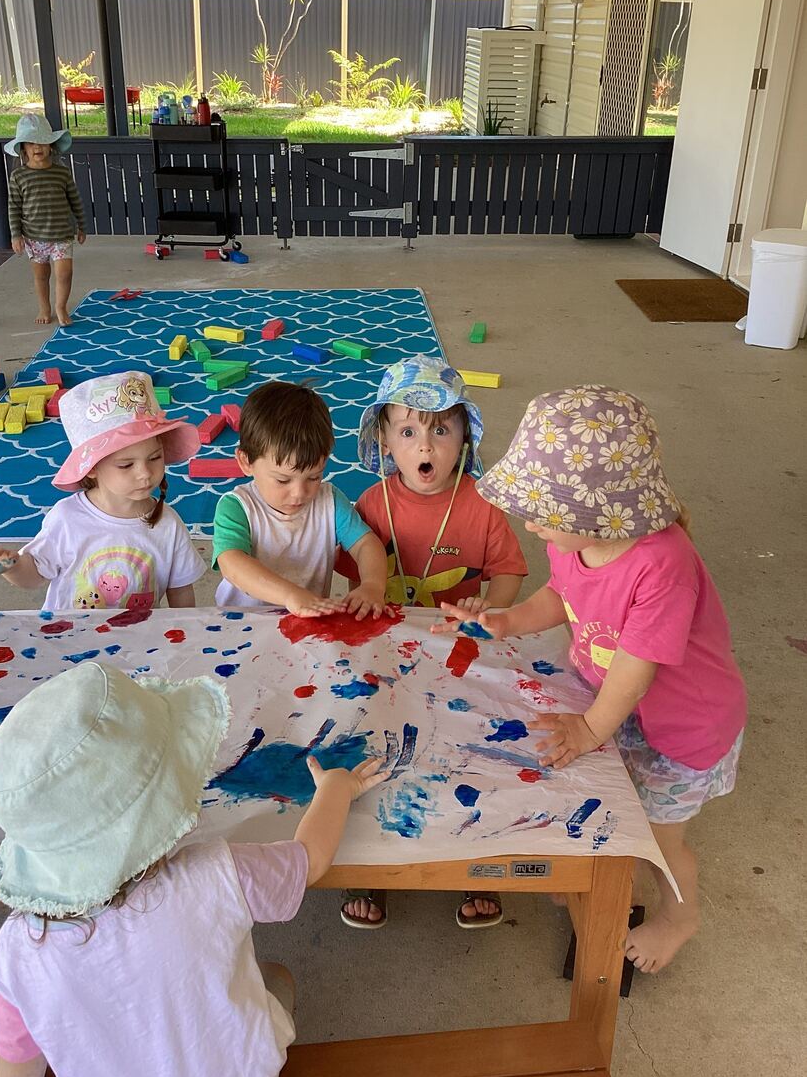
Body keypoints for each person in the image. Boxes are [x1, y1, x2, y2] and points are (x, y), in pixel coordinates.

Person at [0, 661, 385, 1077]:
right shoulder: (218, 873)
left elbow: (18, 1050)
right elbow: (309, 861)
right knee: (277, 977)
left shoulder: (18, 951)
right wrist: (336, 788)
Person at [434, 385, 747, 973]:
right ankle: (606, 882)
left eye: (542, 512)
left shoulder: (662, 565)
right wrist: (505, 622)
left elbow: (636, 668)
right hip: (621, 705)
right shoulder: (577, 540)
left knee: (658, 834)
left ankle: (680, 916)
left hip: (682, 726)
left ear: (596, 513)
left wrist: (588, 729)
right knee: (611, 798)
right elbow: (563, 595)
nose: (528, 522)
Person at [336, 356, 528, 931]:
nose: (426, 445)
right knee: (372, 739)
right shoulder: (370, 505)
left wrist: (489, 606)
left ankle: (473, 864)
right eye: (410, 430)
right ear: (386, 441)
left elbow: (510, 570)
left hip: (459, 649)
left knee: (473, 743)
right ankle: (371, 865)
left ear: (464, 438)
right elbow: (353, 586)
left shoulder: (483, 504)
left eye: (441, 429)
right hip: (388, 649)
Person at [0, 372, 206, 612]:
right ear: (90, 468)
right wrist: (11, 566)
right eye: (126, 465)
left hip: (139, 641)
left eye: (155, 457)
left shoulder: (168, 523)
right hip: (70, 640)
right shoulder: (67, 518)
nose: (145, 473)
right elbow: (34, 575)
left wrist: (185, 635)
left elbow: (181, 589)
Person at [212, 381, 389, 619]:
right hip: (242, 624)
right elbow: (232, 563)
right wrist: (289, 595)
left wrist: (372, 585)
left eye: (314, 477)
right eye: (283, 480)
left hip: (305, 623)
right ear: (246, 462)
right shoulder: (237, 507)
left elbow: (366, 544)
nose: (299, 493)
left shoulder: (330, 500)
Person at [4, 114, 87, 327]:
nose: (37, 147)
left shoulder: (61, 173)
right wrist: (16, 235)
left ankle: (61, 306)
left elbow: (75, 200)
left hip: (62, 234)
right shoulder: (19, 176)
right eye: (31, 143)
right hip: (34, 237)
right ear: (23, 148)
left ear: (51, 146)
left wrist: (81, 224)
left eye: (42, 142)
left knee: (65, 273)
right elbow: (14, 207)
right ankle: (44, 307)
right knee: (41, 276)